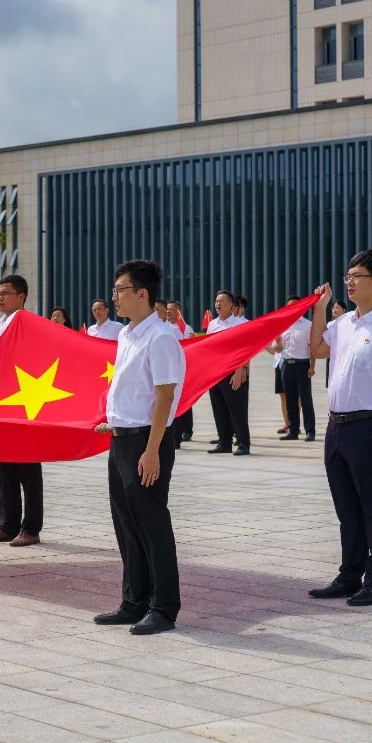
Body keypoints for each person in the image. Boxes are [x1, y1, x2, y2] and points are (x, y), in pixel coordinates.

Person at [308, 249, 372, 607]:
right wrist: (320, 309)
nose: (349, 282)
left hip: (370, 426)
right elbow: (318, 349)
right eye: (347, 277)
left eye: (357, 276)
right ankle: (349, 574)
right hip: (337, 426)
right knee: (346, 508)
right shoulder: (343, 324)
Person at [92, 259, 184, 635]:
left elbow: (165, 396)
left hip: (147, 443)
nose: (114, 297)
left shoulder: (161, 337)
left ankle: (163, 608)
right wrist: (115, 421)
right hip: (121, 440)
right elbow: (134, 390)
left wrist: (151, 450)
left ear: (142, 294)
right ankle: (134, 602)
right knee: (127, 526)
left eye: (120, 290)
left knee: (152, 526)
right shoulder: (127, 335)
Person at [0, 275, 43, 547]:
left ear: (21, 296)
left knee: (27, 468)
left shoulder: (29, 324)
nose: (0, 297)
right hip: (1, 403)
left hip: (25, 403)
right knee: (3, 465)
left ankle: (31, 528)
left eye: (6, 293)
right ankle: (7, 524)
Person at [206, 290, 249, 455]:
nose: (218, 304)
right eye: (216, 301)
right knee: (219, 409)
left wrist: (239, 371)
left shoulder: (238, 324)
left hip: (232, 372)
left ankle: (243, 443)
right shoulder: (212, 324)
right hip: (215, 372)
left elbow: (244, 349)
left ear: (231, 305)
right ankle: (224, 443)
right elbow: (209, 348)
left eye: (221, 301)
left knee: (237, 409)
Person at [270, 297, 316, 441]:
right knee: (290, 400)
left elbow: (312, 347)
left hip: (302, 365)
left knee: (305, 399)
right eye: (289, 306)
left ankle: (310, 431)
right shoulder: (281, 324)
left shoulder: (307, 325)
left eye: (295, 305)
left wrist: (312, 366)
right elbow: (277, 349)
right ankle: (293, 431)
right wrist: (278, 343)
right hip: (286, 365)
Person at [166, 302, 195, 443]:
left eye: (172, 309)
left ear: (179, 311)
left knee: (185, 400)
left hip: (183, 369)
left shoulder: (185, 328)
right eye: (167, 309)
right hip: (169, 369)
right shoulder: (164, 327)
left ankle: (187, 430)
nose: (168, 312)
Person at [325, 300, 347, 387]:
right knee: (332, 383)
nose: (334, 309)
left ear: (344, 310)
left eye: (337, 307)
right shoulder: (329, 325)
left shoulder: (349, 323)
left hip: (345, 357)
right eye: (333, 308)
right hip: (332, 357)